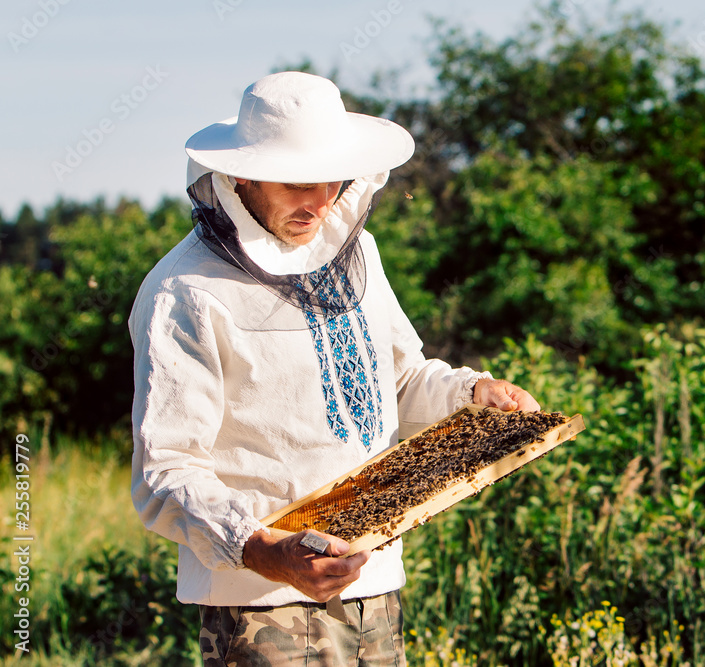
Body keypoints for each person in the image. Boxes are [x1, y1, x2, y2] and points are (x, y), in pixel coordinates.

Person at [129, 71, 539, 666]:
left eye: (332, 180)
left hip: (374, 585)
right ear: (241, 173)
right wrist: (268, 551)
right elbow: (166, 471)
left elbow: (398, 381)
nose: (319, 201)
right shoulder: (185, 291)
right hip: (261, 602)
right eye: (296, 182)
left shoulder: (357, 253)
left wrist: (475, 393)